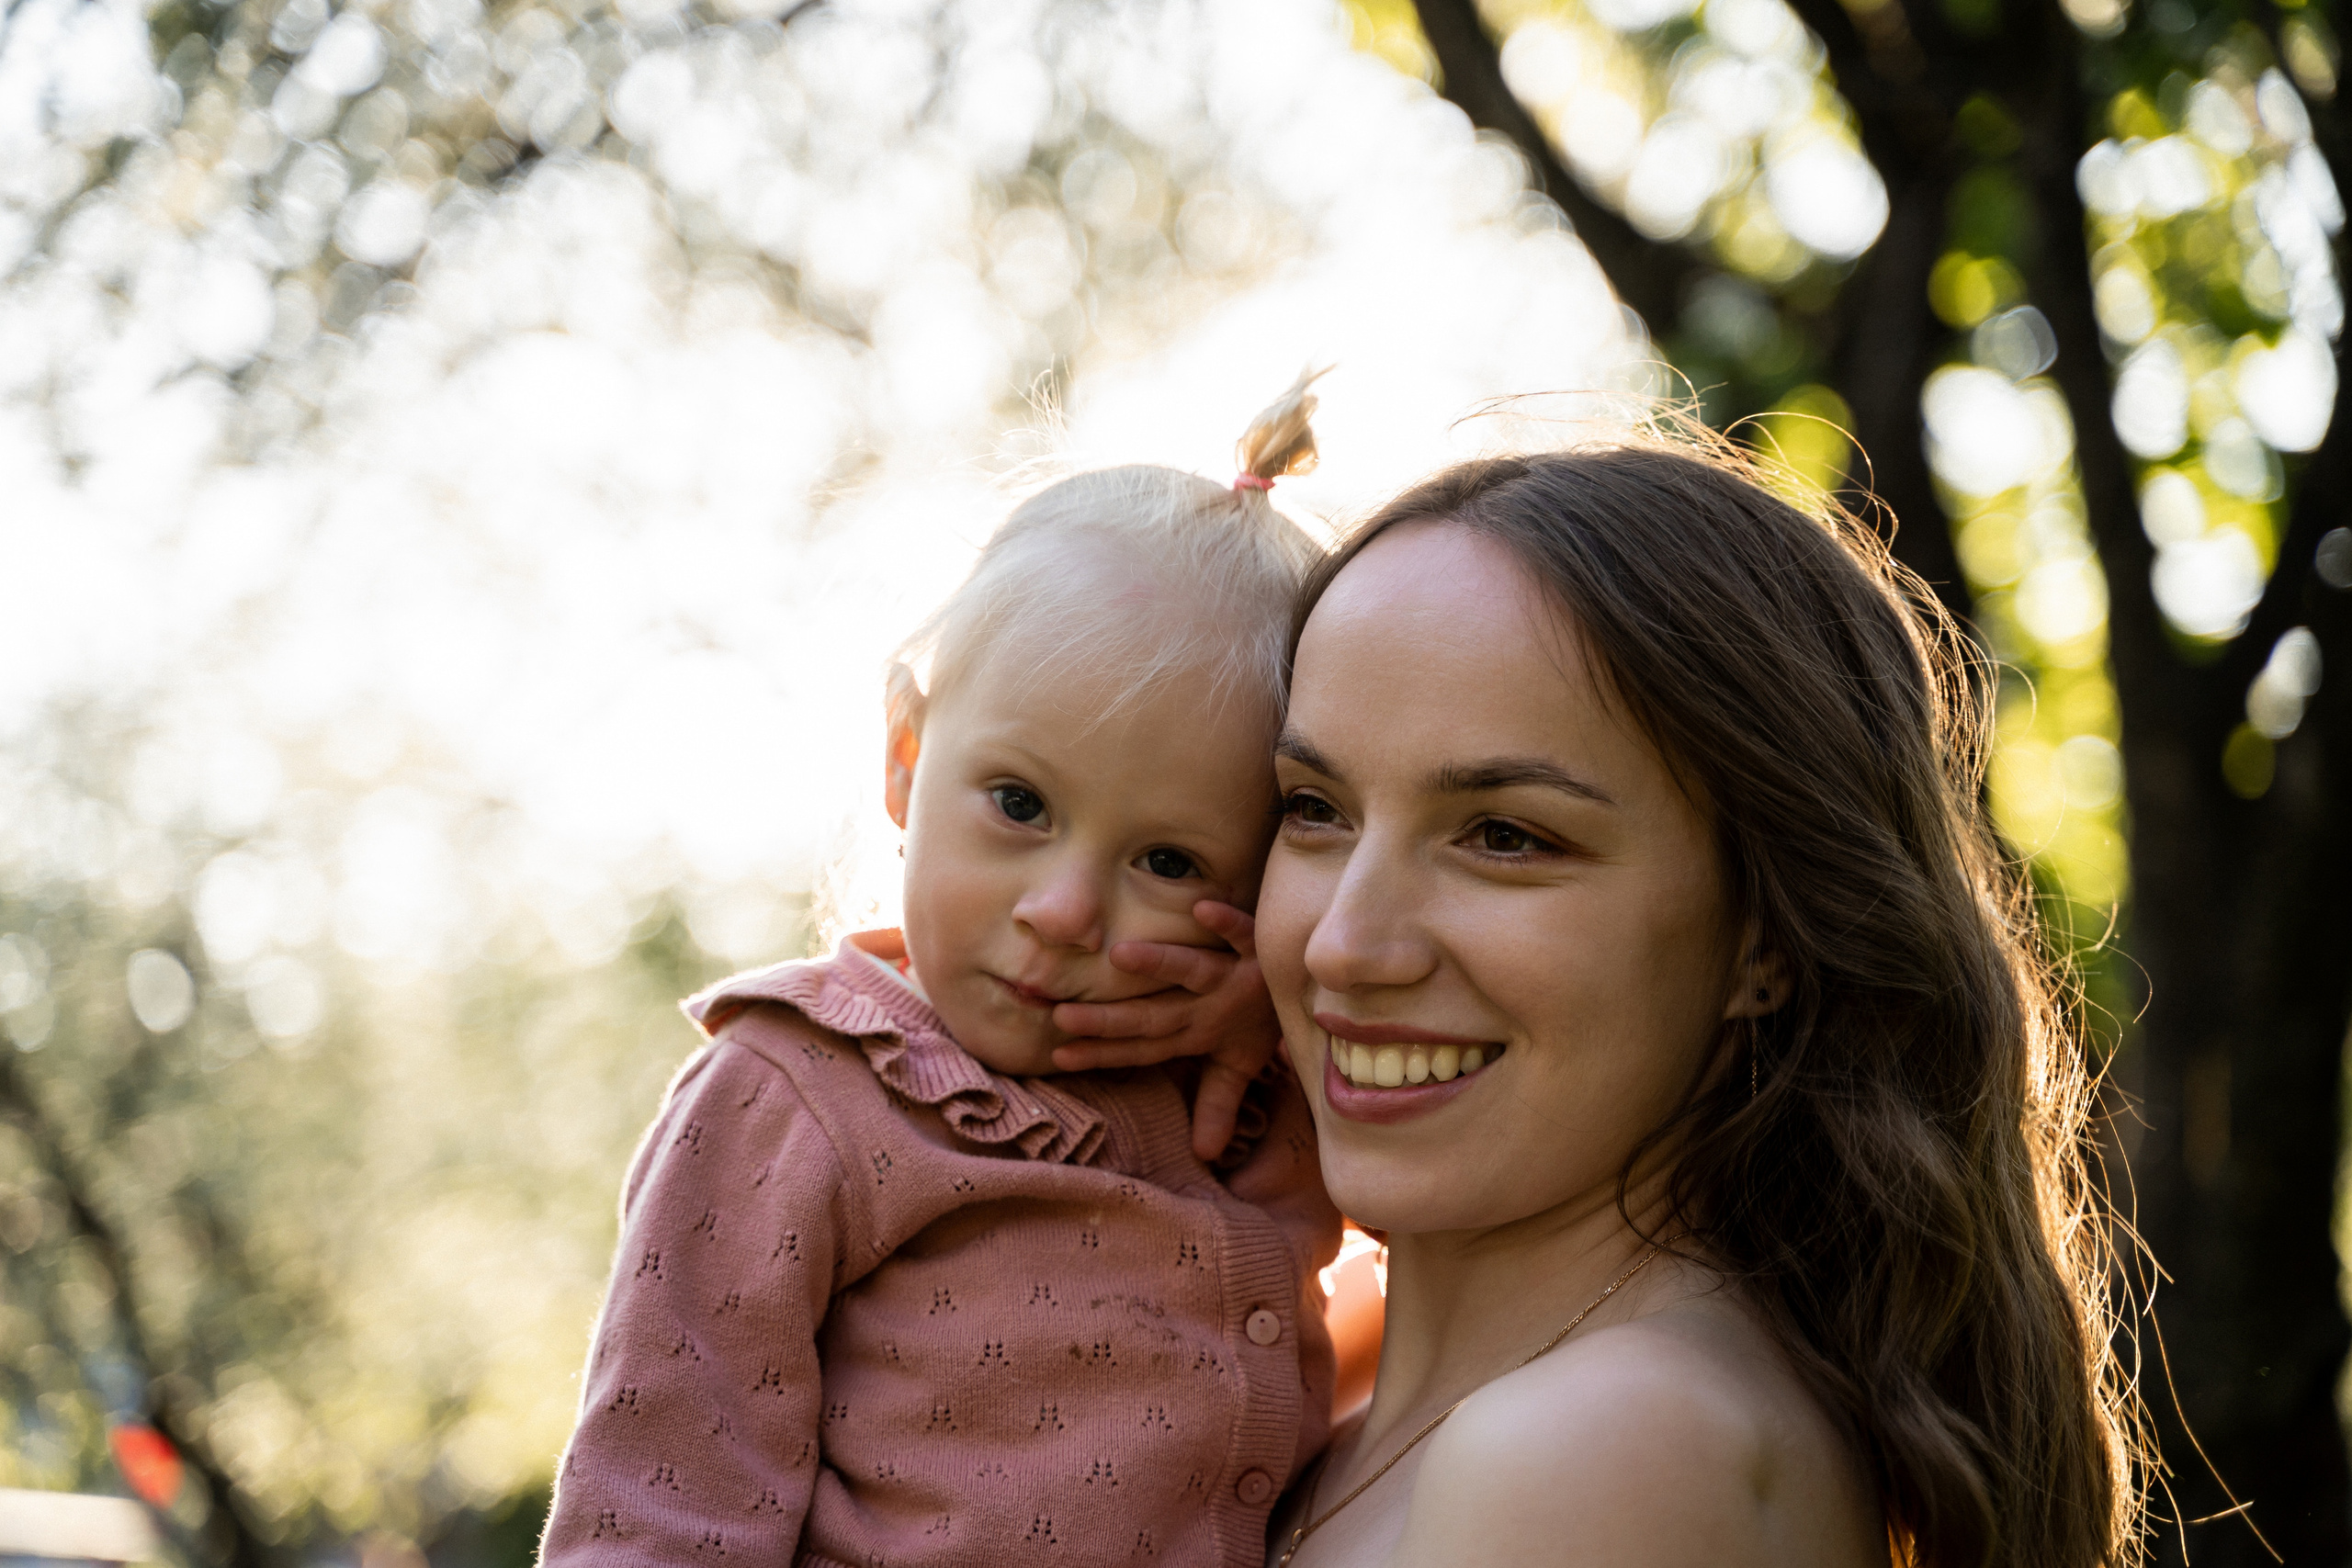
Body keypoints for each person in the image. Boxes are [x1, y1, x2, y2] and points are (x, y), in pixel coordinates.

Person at [1252, 434, 2140, 1567]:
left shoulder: (1593, 1449)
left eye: (1507, 836)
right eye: (1312, 808)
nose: (1344, 943)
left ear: (1764, 936)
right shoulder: (1323, 1414)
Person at [539, 378, 1346, 1568]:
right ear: (908, 754)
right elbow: (656, 1514)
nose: (1065, 908)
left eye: (1169, 859)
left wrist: (1273, 1011)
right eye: (1019, 802)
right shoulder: (796, 1094)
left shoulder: (1263, 1094)